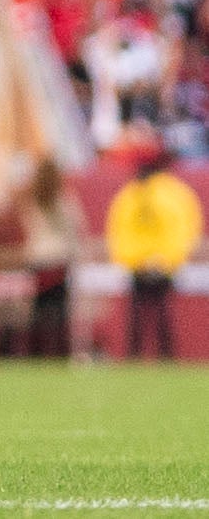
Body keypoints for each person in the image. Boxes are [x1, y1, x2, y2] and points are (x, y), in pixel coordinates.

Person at [106, 139, 200, 361]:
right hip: (154, 264)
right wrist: (163, 259)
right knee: (149, 316)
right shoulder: (169, 193)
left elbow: (121, 230)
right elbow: (184, 230)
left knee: (149, 316)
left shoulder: (141, 194)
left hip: (149, 264)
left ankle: (147, 357)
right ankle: (150, 357)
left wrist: (141, 259)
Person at [21, 158, 78, 359]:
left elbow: (30, 231)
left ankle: (36, 354)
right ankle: (59, 353)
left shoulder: (33, 200)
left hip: (38, 260)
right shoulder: (63, 201)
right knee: (59, 312)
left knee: (39, 310)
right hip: (58, 261)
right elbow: (75, 230)